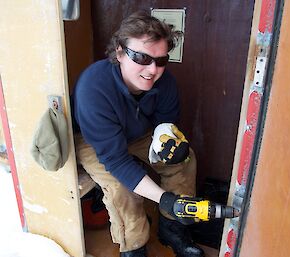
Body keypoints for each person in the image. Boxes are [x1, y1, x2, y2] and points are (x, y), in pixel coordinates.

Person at [71, 10, 204, 257]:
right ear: (120, 52)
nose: (153, 70)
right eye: (141, 58)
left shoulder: (165, 82)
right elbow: (116, 161)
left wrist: (168, 137)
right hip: (95, 140)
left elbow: (166, 120)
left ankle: (172, 227)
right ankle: (133, 246)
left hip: (139, 132)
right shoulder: (93, 88)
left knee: (184, 160)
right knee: (122, 186)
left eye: (161, 60)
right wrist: (164, 197)